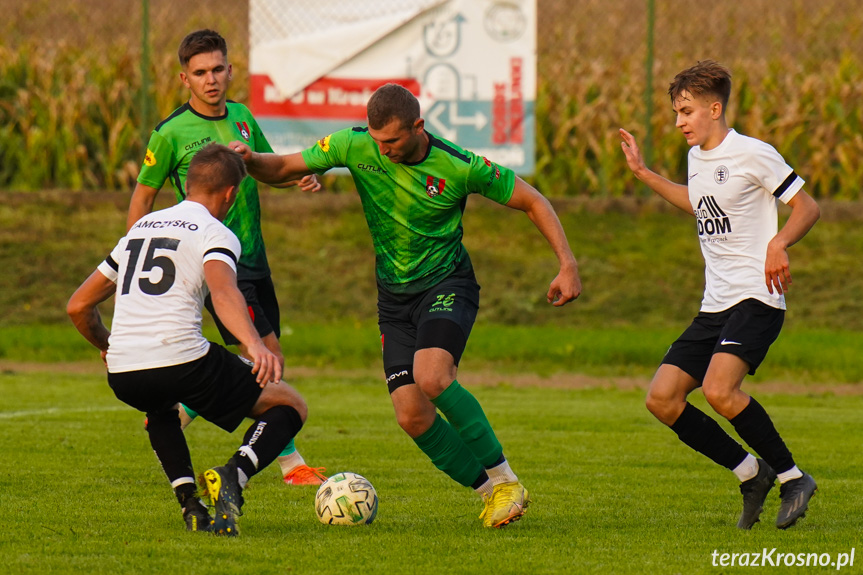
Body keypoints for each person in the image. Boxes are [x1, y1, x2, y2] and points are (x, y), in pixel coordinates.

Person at [230, 83, 582, 528]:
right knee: (412, 416)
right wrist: (249, 159)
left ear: (418, 126)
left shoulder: (459, 166)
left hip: (447, 285)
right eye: (378, 142)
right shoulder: (353, 144)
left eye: (393, 141)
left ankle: (507, 479)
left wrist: (567, 263)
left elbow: (533, 200)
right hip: (394, 299)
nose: (384, 150)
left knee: (433, 376)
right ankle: (491, 493)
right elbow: (280, 166)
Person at [67, 143, 309, 535]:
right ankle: (235, 474)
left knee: (160, 408)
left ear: (187, 184)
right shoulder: (216, 232)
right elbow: (225, 292)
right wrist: (254, 343)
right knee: (289, 404)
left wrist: (108, 346)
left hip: (124, 373)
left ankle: (190, 505)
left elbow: (78, 306)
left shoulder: (139, 230)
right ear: (231, 193)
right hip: (183, 360)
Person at [619, 60, 821, 529]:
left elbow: (807, 207)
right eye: (675, 112)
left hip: (757, 297)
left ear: (715, 108)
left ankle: (793, 478)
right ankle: (751, 474)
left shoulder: (754, 153)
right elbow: (698, 203)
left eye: (686, 111)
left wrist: (779, 242)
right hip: (715, 305)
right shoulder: (696, 158)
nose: (678, 122)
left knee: (719, 390)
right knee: (662, 399)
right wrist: (645, 174)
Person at [129, 29, 324, 485]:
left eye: (217, 69)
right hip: (214, 266)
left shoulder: (241, 116)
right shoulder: (170, 132)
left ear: (230, 70)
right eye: (200, 73)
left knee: (268, 360)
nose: (211, 79)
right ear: (185, 78)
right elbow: (142, 199)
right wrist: (137, 254)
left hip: (254, 257)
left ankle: (183, 410)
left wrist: (297, 178)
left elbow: (266, 167)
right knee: (266, 357)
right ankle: (289, 466)